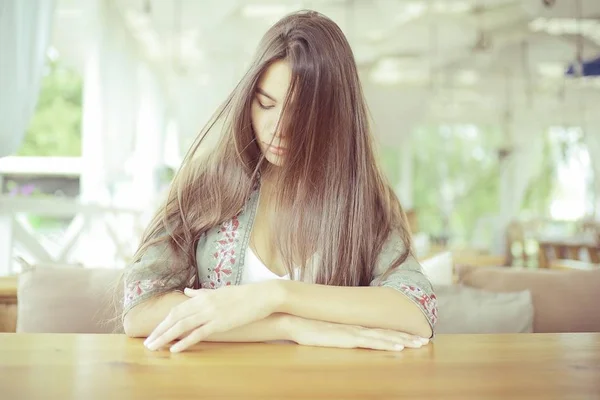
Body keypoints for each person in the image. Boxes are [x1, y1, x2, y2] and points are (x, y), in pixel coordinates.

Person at [120, 10, 437, 353]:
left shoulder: (363, 200)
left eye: (300, 114)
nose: (278, 129)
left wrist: (276, 295)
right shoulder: (207, 183)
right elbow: (140, 309)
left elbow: (417, 311)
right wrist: (288, 325)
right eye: (265, 104)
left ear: (335, 116)